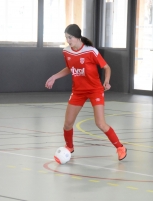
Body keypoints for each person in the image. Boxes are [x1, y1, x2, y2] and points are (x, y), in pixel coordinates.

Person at [45, 24, 127, 161]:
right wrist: (54, 77)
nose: (68, 41)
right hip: (78, 91)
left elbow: (107, 67)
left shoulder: (91, 51)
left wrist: (106, 81)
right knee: (67, 124)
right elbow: (69, 68)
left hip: (95, 90)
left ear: (77, 37)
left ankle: (120, 147)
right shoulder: (66, 52)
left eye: (70, 38)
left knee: (100, 123)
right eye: (66, 38)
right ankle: (69, 147)